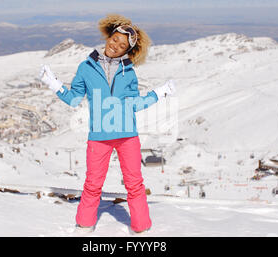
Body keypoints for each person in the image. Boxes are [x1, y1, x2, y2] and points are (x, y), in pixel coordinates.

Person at [39, 14, 176, 234]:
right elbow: (74, 98)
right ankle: (84, 226)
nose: (116, 46)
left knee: (135, 185)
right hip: (99, 137)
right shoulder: (86, 67)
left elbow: (135, 103)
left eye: (122, 45)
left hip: (127, 136)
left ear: (127, 51)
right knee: (93, 185)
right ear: (108, 37)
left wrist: (159, 93)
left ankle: (141, 229)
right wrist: (53, 84)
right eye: (115, 40)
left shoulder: (129, 72)